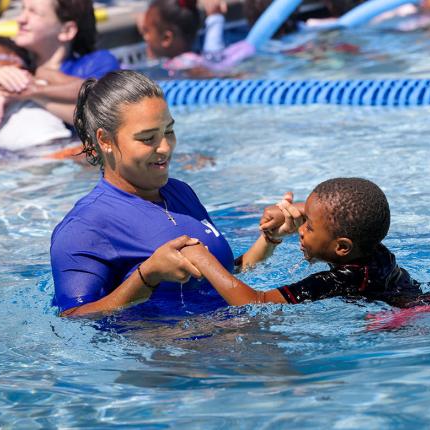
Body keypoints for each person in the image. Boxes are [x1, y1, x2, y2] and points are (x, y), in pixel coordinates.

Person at [50, 70, 269, 317]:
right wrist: (146, 277)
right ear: (105, 140)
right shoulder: (85, 225)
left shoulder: (180, 193)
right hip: (170, 351)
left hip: (227, 337)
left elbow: (218, 277)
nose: (165, 148)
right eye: (147, 138)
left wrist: (269, 240)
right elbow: (72, 318)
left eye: (168, 131)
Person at [180, 177, 426, 307]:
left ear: (341, 247)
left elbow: (256, 302)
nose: (300, 229)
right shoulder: (369, 244)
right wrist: (288, 214)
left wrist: (204, 259)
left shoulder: (339, 280)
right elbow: (333, 216)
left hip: (413, 320)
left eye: (308, 225)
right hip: (425, 299)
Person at [0, 0, 119, 125]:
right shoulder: (9, 64)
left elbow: (103, 119)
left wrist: (32, 91)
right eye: (23, 9)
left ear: (67, 30)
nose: (20, 19)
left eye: (33, 12)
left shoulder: (99, 63)